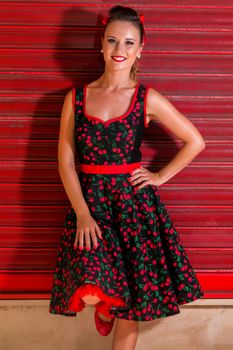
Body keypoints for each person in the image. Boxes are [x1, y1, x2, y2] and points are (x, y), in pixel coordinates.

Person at [49, 5, 205, 349]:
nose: (120, 50)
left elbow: (195, 141)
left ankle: (115, 311)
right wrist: (82, 213)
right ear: (102, 46)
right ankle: (103, 307)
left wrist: (160, 177)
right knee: (91, 291)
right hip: (91, 206)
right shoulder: (75, 98)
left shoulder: (145, 97)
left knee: (132, 301)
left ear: (140, 49)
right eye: (113, 41)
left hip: (135, 209)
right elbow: (65, 161)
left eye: (129, 43)